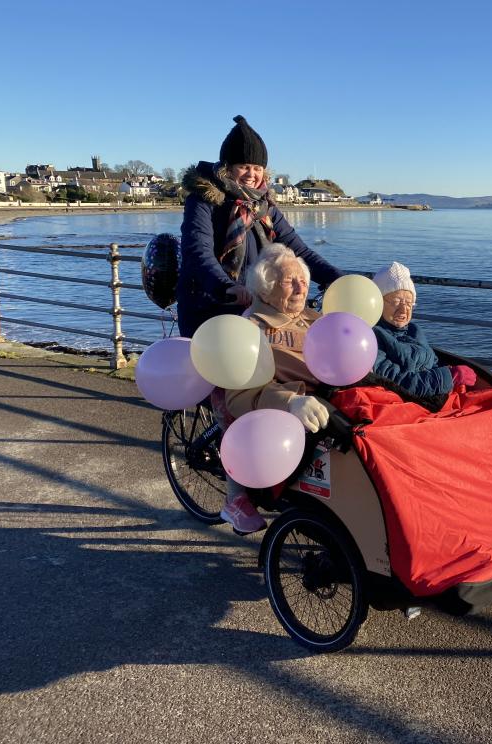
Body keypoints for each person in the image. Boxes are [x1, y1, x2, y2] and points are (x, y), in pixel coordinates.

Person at [177, 115, 342, 337]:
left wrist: (337, 278)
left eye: (257, 168)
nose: (252, 175)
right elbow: (198, 251)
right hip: (208, 304)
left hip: (254, 310)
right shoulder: (204, 201)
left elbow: (298, 251)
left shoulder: (264, 206)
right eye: (244, 166)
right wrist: (225, 286)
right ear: (227, 168)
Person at [217, 244, 334, 534]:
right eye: (288, 281)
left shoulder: (316, 320)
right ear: (265, 290)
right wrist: (290, 402)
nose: (299, 287)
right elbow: (242, 395)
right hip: (289, 410)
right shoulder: (251, 329)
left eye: (303, 281)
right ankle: (237, 497)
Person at [370, 262, 477, 398]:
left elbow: (434, 363)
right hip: (408, 405)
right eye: (396, 302)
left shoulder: (414, 330)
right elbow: (395, 382)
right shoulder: (372, 336)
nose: (404, 310)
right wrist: (449, 377)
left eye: (409, 303)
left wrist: (449, 373)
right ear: (378, 302)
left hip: (433, 394)